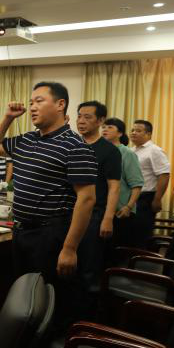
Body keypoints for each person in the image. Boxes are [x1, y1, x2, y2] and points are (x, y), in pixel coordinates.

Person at [0, 81, 97, 331]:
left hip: (51, 233)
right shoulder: (27, 139)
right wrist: (8, 117)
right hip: (22, 230)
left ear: (60, 105)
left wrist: (69, 248)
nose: (33, 107)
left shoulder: (75, 146)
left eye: (39, 101)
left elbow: (87, 199)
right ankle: (22, 341)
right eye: (31, 102)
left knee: (48, 299)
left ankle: (48, 343)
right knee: (24, 295)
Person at [75, 101, 121, 316]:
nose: (81, 121)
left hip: (94, 215)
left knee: (89, 267)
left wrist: (108, 218)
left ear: (100, 120)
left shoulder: (109, 151)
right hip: (70, 213)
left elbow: (114, 187)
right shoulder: (73, 145)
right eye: (79, 116)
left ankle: (88, 318)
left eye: (87, 117)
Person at [102, 118, 144, 249]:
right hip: (102, 210)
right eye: (103, 127)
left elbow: (137, 184)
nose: (105, 129)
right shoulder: (101, 151)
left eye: (110, 127)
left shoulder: (127, 153)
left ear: (120, 133)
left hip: (120, 212)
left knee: (116, 251)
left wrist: (128, 207)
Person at [130, 120, 171, 248]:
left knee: (141, 234)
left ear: (148, 134)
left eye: (138, 131)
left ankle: (142, 258)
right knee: (131, 233)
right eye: (132, 130)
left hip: (146, 198)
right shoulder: (132, 150)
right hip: (132, 197)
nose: (133, 133)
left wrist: (157, 199)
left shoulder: (154, 150)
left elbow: (164, 174)